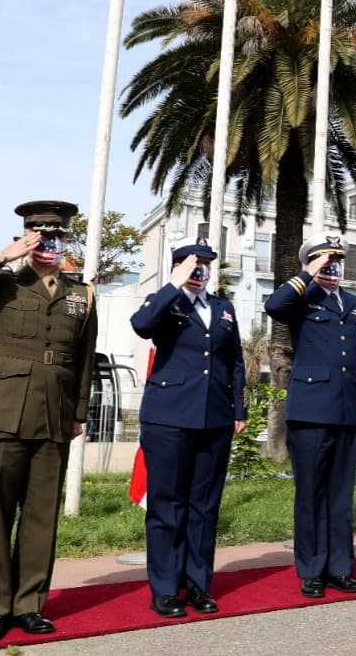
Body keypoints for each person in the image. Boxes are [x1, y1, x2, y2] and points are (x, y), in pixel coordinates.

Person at [0, 200, 96, 643]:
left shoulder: (82, 294)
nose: (46, 242)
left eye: (54, 235)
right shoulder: (0, 285)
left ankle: (30, 605)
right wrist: (3, 254)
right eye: (38, 235)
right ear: (27, 237)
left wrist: (77, 413)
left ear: (65, 239)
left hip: (55, 413)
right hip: (5, 410)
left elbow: (86, 361)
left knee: (40, 516)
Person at [131, 238, 247, 618]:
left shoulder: (223, 308)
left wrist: (238, 409)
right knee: (167, 505)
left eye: (204, 267)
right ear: (177, 268)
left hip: (214, 418)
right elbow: (142, 326)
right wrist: (174, 284)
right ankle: (165, 588)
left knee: (204, 507)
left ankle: (198, 584)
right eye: (191, 267)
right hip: (168, 417)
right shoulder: (165, 301)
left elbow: (234, 363)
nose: (199, 273)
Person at [265, 232, 356, 599]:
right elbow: (274, 305)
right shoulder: (301, 298)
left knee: (341, 495)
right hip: (311, 408)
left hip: (346, 409)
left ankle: (340, 568)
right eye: (324, 261)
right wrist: (306, 275)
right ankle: (312, 569)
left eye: (337, 261)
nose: (333, 268)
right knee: (311, 493)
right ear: (311, 263)